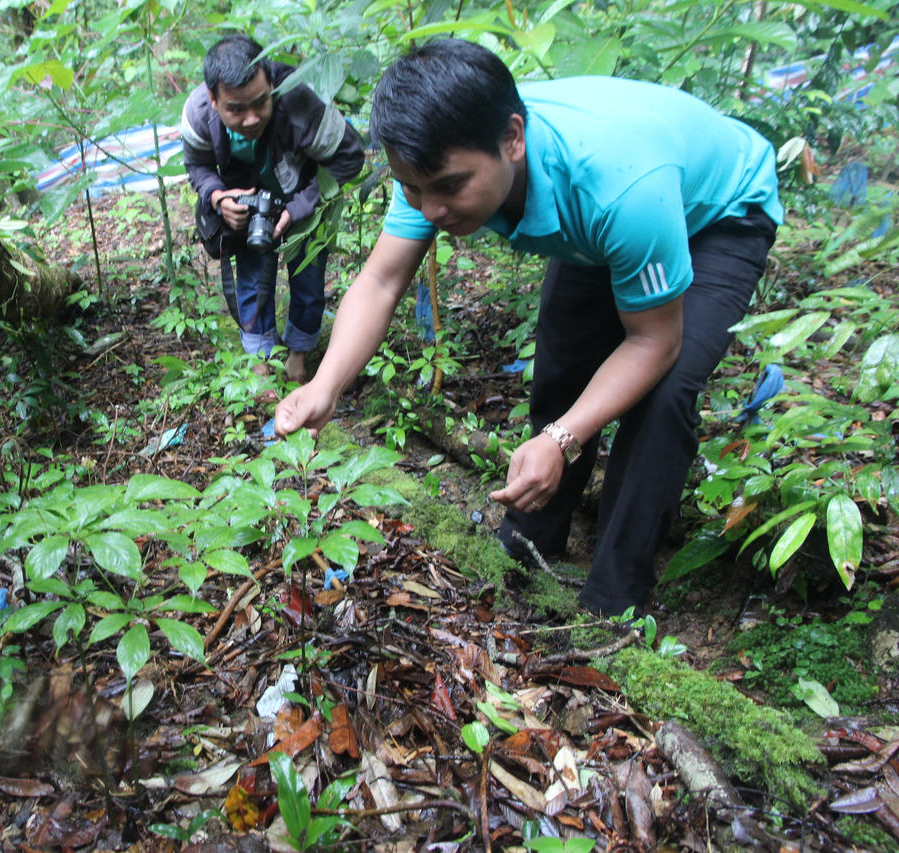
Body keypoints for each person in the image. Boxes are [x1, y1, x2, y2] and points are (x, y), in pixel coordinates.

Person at [274, 39, 781, 616]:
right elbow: (383, 280)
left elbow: (654, 341)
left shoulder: (616, 190)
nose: (430, 209)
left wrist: (562, 439)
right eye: (414, 188)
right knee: (564, 357)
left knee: (664, 396)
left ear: (513, 140)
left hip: (717, 214)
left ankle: (612, 602)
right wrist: (326, 385)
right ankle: (529, 543)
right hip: (612, 212)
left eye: (449, 186)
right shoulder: (433, 155)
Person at [180, 35, 365, 384]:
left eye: (260, 103)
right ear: (214, 100)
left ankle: (298, 354)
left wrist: (301, 206)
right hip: (250, 208)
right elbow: (197, 166)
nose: (251, 119)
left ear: (271, 86)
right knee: (252, 279)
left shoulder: (300, 102)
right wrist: (219, 197)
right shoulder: (198, 115)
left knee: (308, 280)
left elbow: (350, 156)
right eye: (236, 109)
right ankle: (261, 360)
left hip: (305, 198)